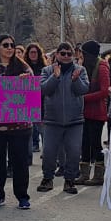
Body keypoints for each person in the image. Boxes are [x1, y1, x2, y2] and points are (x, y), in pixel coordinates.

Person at [0, 34, 35, 209]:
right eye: (5, 45)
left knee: (20, 162)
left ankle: (22, 196)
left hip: (20, 126)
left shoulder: (23, 68)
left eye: (12, 44)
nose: (10, 48)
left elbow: (33, 94)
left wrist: (27, 83)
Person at [39, 42, 90, 196]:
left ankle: (70, 180)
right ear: (57, 54)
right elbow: (45, 90)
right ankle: (47, 178)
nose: (66, 56)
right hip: (52, 119)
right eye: (63, 53)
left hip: (75, 120)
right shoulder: (47, 70)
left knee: (74, 152)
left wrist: (76, 80)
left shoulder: (80, 70)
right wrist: (55, 77)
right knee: (48, 151)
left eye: (69, 54)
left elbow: (84, 89)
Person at [78, 40, 111, 186]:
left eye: (84, 54)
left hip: (97, 112)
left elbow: (105, 91)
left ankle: (98, 175)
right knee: (84, 143)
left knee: (95, 143)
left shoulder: (102, 67)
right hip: (84, 112)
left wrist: (84, 98)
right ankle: (84, 174)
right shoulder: (84, 66)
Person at [25, 42, 47, 153]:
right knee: (29, 131)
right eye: (31, 52)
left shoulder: (44, 69)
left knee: (43, 130)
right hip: (27, 103)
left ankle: (46, 153)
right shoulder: (23, 68)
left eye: (35, 52)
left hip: (41, 102)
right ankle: (28, 155)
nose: (33, 54)